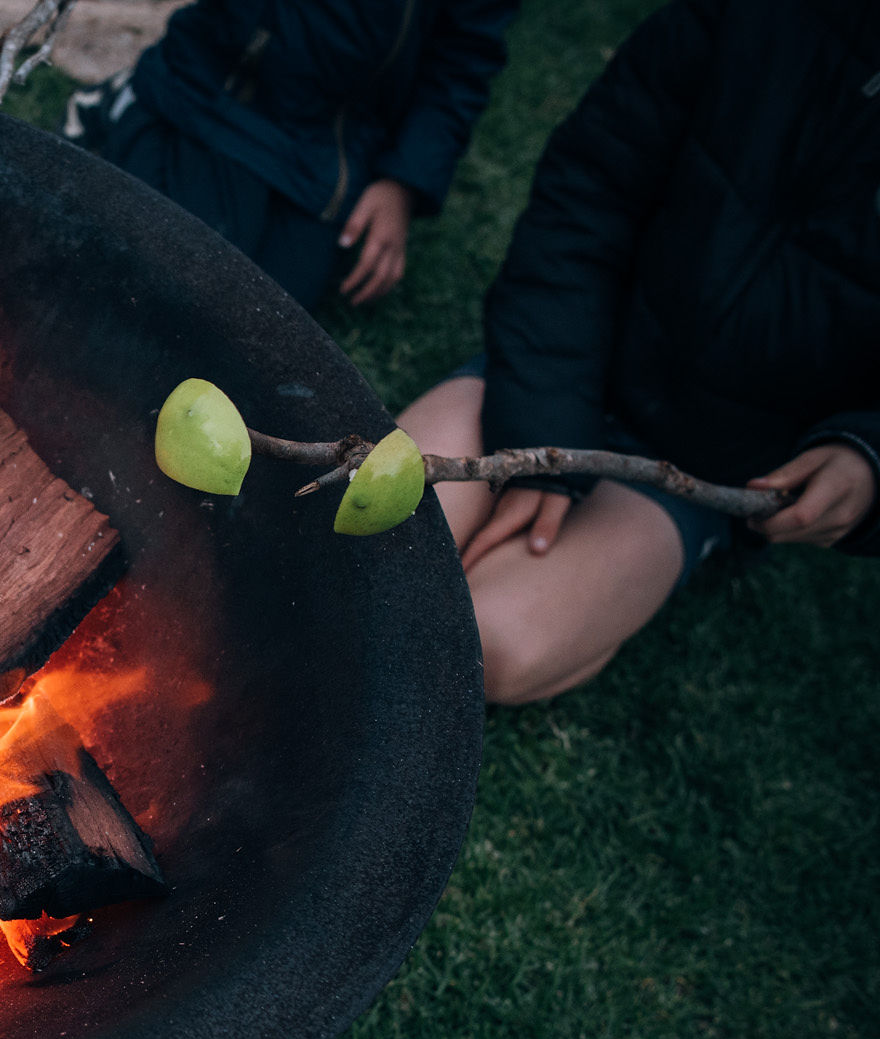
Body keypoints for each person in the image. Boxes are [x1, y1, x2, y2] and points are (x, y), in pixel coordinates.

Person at [396, 0, 880, 706]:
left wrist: (868, 454)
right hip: (569, 358)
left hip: (711, 469)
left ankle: (642, 575)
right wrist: (543, 431)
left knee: (486, 643)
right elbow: (590, 189)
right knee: (369, 534)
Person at [67, 0, 519, 308]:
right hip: (209, 94)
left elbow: (464, 59)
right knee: (151, 279)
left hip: (334, 148)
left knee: (263, 318)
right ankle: (123, 106)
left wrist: (405, 181)